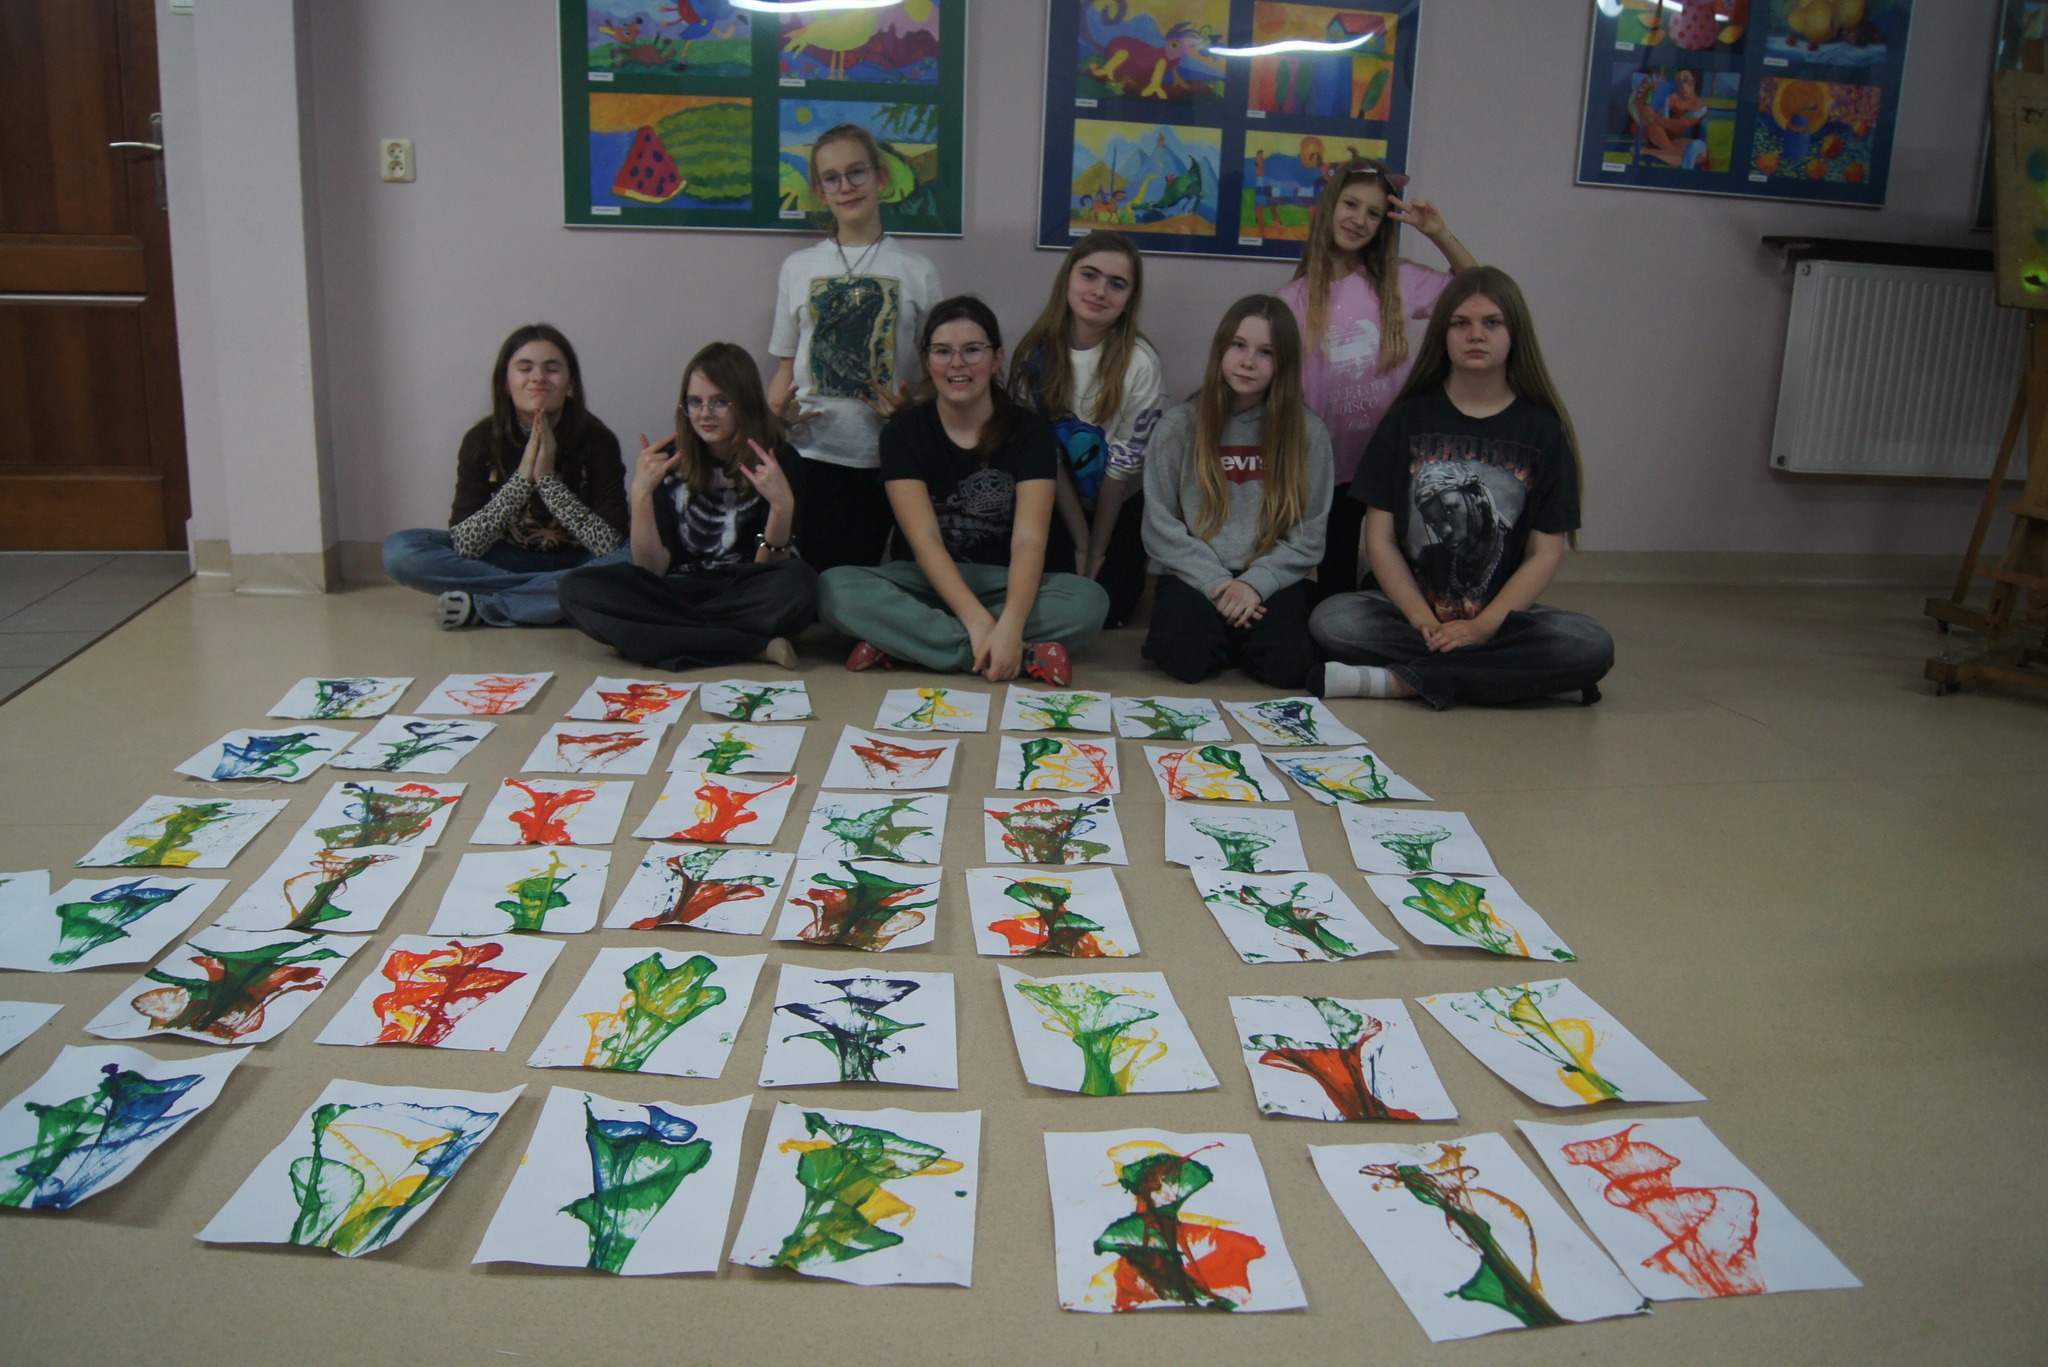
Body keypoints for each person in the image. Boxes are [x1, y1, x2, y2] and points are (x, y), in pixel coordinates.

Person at [1310, 266, 1614, 708]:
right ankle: (1486, 677)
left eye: (1491, 323)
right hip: (1412, 617)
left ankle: (1405, 682)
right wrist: (1421, 619)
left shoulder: (1543, 430)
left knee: (1589, 643)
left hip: (1500, 621)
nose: (1475, 335)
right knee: (1333, 619)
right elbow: (1379, 540)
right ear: (1442, 334)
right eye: (1460, 323)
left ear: (1515, 333)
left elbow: (1544, 554)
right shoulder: (1407, 418)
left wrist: (1481, 628)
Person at [816, 296, 1110, 685]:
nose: (957, 363)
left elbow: (1029, 540)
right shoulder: (903, 433)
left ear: (997, 357)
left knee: (1089, 602)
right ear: (927, 361)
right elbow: (925, 541)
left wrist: (1011, 623)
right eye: (942, 352)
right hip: (926, 579)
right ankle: (1016, 654)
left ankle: (907, 643)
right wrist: (979, 623)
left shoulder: (1030, 433)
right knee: (833, 589)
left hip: (1002, 581)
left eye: (973, 350)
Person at [1278, 158, 1476, 602]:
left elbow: (1478, 289)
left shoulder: (1397, 279)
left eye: (1373, 213)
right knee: (1336, 577)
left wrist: (1438, 233)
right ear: (1329, 207)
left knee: (1411, 570)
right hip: (1333, 465)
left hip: (1399, 458)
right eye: (1350, 204)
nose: (1360, 219)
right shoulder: (1290, 301)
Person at [556, 342, 817, 670]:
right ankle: (748, 646)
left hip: (743, 590)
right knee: (576, 589)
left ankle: (661, 638)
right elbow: (651, 568)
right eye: (695, 402)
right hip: (675, 589)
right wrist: (641, 494)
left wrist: (781, 507)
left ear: (745, 402)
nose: (705, 413)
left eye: (720, 401)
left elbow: (769, 569)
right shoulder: (668, 459)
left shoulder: (779, 460)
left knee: (798, 583)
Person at [767, 123, 942, 573]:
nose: (846, 186)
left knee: (860, 579)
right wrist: (776, 418)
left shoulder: (918, 271)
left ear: (880, 177)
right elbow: (785, 367)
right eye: (832, 178)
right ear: (819, 191)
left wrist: (910, 404)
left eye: (856, 172)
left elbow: (939, 376)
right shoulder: (798, 267)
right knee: (805, 578)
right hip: (808, 454)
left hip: (883, 455)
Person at [1141, 295, 1332, 688]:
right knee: (1185, 657)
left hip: (1269, 576)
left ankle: (1238, 630)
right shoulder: (1179, 425)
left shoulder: (1308, 433)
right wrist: (1218, 583)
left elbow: (1309, 534)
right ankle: (1228, 630)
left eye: (1266, 352)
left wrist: (1253, 584)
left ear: (1284, 363)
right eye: (1239, 345)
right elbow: (1159, 525)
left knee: (1289, 667)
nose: (1248, 361)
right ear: (1220, 349)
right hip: (1195, 574)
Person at [383, 323, 628, 627]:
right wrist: (523, 478)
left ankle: (490, 605)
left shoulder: (598, 440)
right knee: (400, 551)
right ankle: (557, 596)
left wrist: (548, 481)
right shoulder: (480, 440)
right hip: (504, 560)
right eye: (525, 368)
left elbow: (609, 545)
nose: (538, 378)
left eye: (552, 369)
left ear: (570, 385)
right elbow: (466, 545)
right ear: (504, 383)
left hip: (579, 559)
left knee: (635, 559)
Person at [1008, 230, 1164, 628]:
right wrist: (1079, 539)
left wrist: (1096, 551)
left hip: (1119, 502)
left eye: (1116, 284)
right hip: (1057, 496)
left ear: (1129, 298)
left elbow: (1121, 469)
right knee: (1048, 596)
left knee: (1109, 611)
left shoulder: (1141, 364)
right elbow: (1043, 456)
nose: (1099, 291)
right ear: (1068, 278)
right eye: (1089, 275)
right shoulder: (1035, 353)